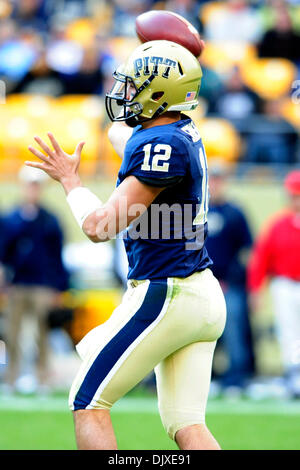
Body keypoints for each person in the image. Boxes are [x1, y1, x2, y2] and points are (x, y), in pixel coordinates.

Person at [26, 40, 226, 450]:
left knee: (88, 400)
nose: (125, 94)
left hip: (166, 291)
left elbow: (101, 227)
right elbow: (125, 135)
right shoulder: (177, 132)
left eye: (134, 86)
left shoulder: (161, 146)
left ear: (159, 95)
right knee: (187, 425)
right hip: (199, 292)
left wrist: (71, 182)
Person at [0, 165, 69, 393]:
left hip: (43, 284)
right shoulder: (10, 219)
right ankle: (11, 378)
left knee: (42, 333)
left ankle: (42, 378)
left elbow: (58, 255)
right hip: (16, 284)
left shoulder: (50, 220)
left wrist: (60, 287)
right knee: (12, 332)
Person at [248, 170, 300, 398]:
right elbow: (261, 259)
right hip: (285, 284)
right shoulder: (278, 225)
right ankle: (294, 375)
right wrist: (256, 290)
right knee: (288, 332)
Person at [206, 163, 255, 393]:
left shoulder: (235, 212)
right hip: (201, 285)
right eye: (211, 180)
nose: (214, 185)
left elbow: (246, 251)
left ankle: (236, 377)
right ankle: (209, 377)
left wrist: (233, 277)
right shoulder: (195, 211)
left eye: (218, 180)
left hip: (229, 285)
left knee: (233, 330)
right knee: (202, 333)